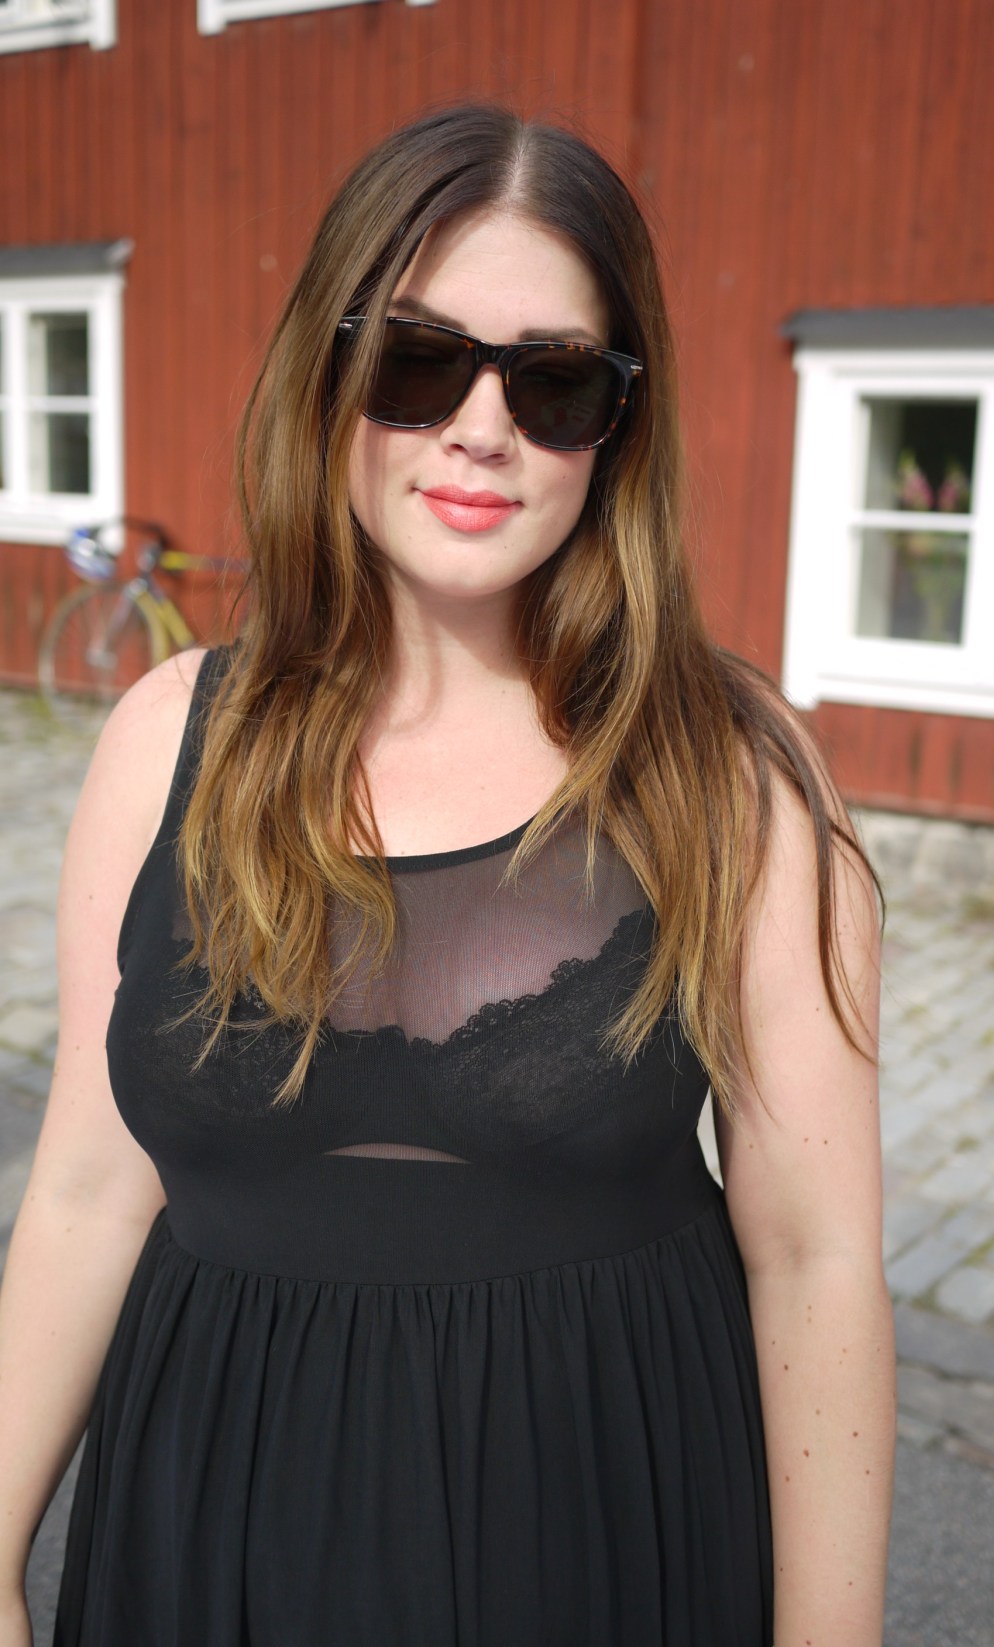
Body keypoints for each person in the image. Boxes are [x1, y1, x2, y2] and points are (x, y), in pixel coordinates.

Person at [0, 104, 895, 1647]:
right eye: (417, 361)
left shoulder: (734, 776)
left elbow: (815, 1262)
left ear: (617, 426)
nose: (483, 427)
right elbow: (88, 1188)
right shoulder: (167, 738)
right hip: (208, 1529)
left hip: (596, 1546)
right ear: (327, 370)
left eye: (554, 382)